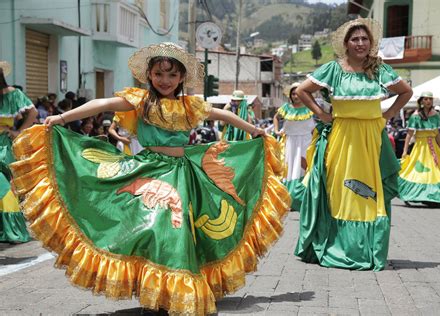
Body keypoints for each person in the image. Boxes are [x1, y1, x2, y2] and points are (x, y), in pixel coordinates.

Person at [10, 42, 290, 314]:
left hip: (183, 174)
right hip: (149, 169)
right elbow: (101, 103)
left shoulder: (189, 106)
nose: (165, 80)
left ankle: (176, 290)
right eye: (158, 74)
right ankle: (159, 288)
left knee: (179, 233)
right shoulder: (140, 101)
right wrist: (61, 118)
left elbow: (222, 115)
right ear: (149, 75)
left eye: (172, 74)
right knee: (155, 230)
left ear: (181, 77)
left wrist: (255, 131)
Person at [294, 18, 413, 271]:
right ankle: (337, 245)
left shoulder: (379, 69)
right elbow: (303, 90)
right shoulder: (333, 70)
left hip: (371, 138)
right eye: (355, 39)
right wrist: (322, 114)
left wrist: (387, 115)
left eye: (364, 39)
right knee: (339, 192)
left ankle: (366, 250)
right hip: (342, 136)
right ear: (346, 44)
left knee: (370, 194)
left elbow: (406, 92)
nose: (360, 43)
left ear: (370, 43)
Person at [0, 60, 37, 243]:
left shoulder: (13, 94)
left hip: (3, 145)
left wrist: (18, 131)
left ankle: (10, 228)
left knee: (5, 184)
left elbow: (33, 112)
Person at [398, 92, 440, 206]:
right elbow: (409, 135)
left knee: (435, 171)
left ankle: (433, 197)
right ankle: (412, 194)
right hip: (420, 148)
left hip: (433, 148)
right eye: (425, 99)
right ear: (421, 101)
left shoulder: (435, 116)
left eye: (430, 99)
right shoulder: (415, 116)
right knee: (418, 171)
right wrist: (405, 151)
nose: (428, 101)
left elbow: (437, 135)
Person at [273, 82, 315, 211]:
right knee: (290, 168)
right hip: (290, 142)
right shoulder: (286, 107)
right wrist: (276, 130)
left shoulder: (311, 107)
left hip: (306, 141)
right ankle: (289, 198)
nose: (295, 96)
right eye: (293, 93)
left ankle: (304, 198)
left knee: (306, 168)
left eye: (297, 93)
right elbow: (276, 117)